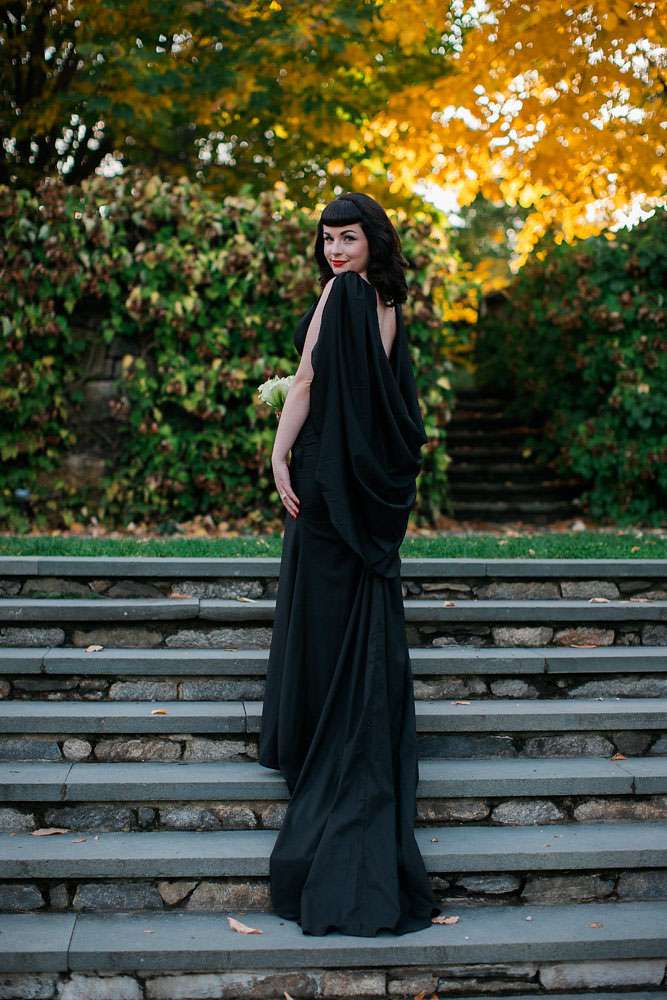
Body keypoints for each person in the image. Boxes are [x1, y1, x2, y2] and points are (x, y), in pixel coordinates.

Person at [258, 191, 440, 937]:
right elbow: (377, 395)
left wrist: (278, 453)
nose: (335, 250)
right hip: (360, 486)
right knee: (343, 609)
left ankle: (311, 736)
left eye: (348, 238)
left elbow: (308, 381)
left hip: (326, 481)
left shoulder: (341, 294)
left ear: (372, 241)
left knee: (319, 607)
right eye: (328, 239)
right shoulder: (390, 302)